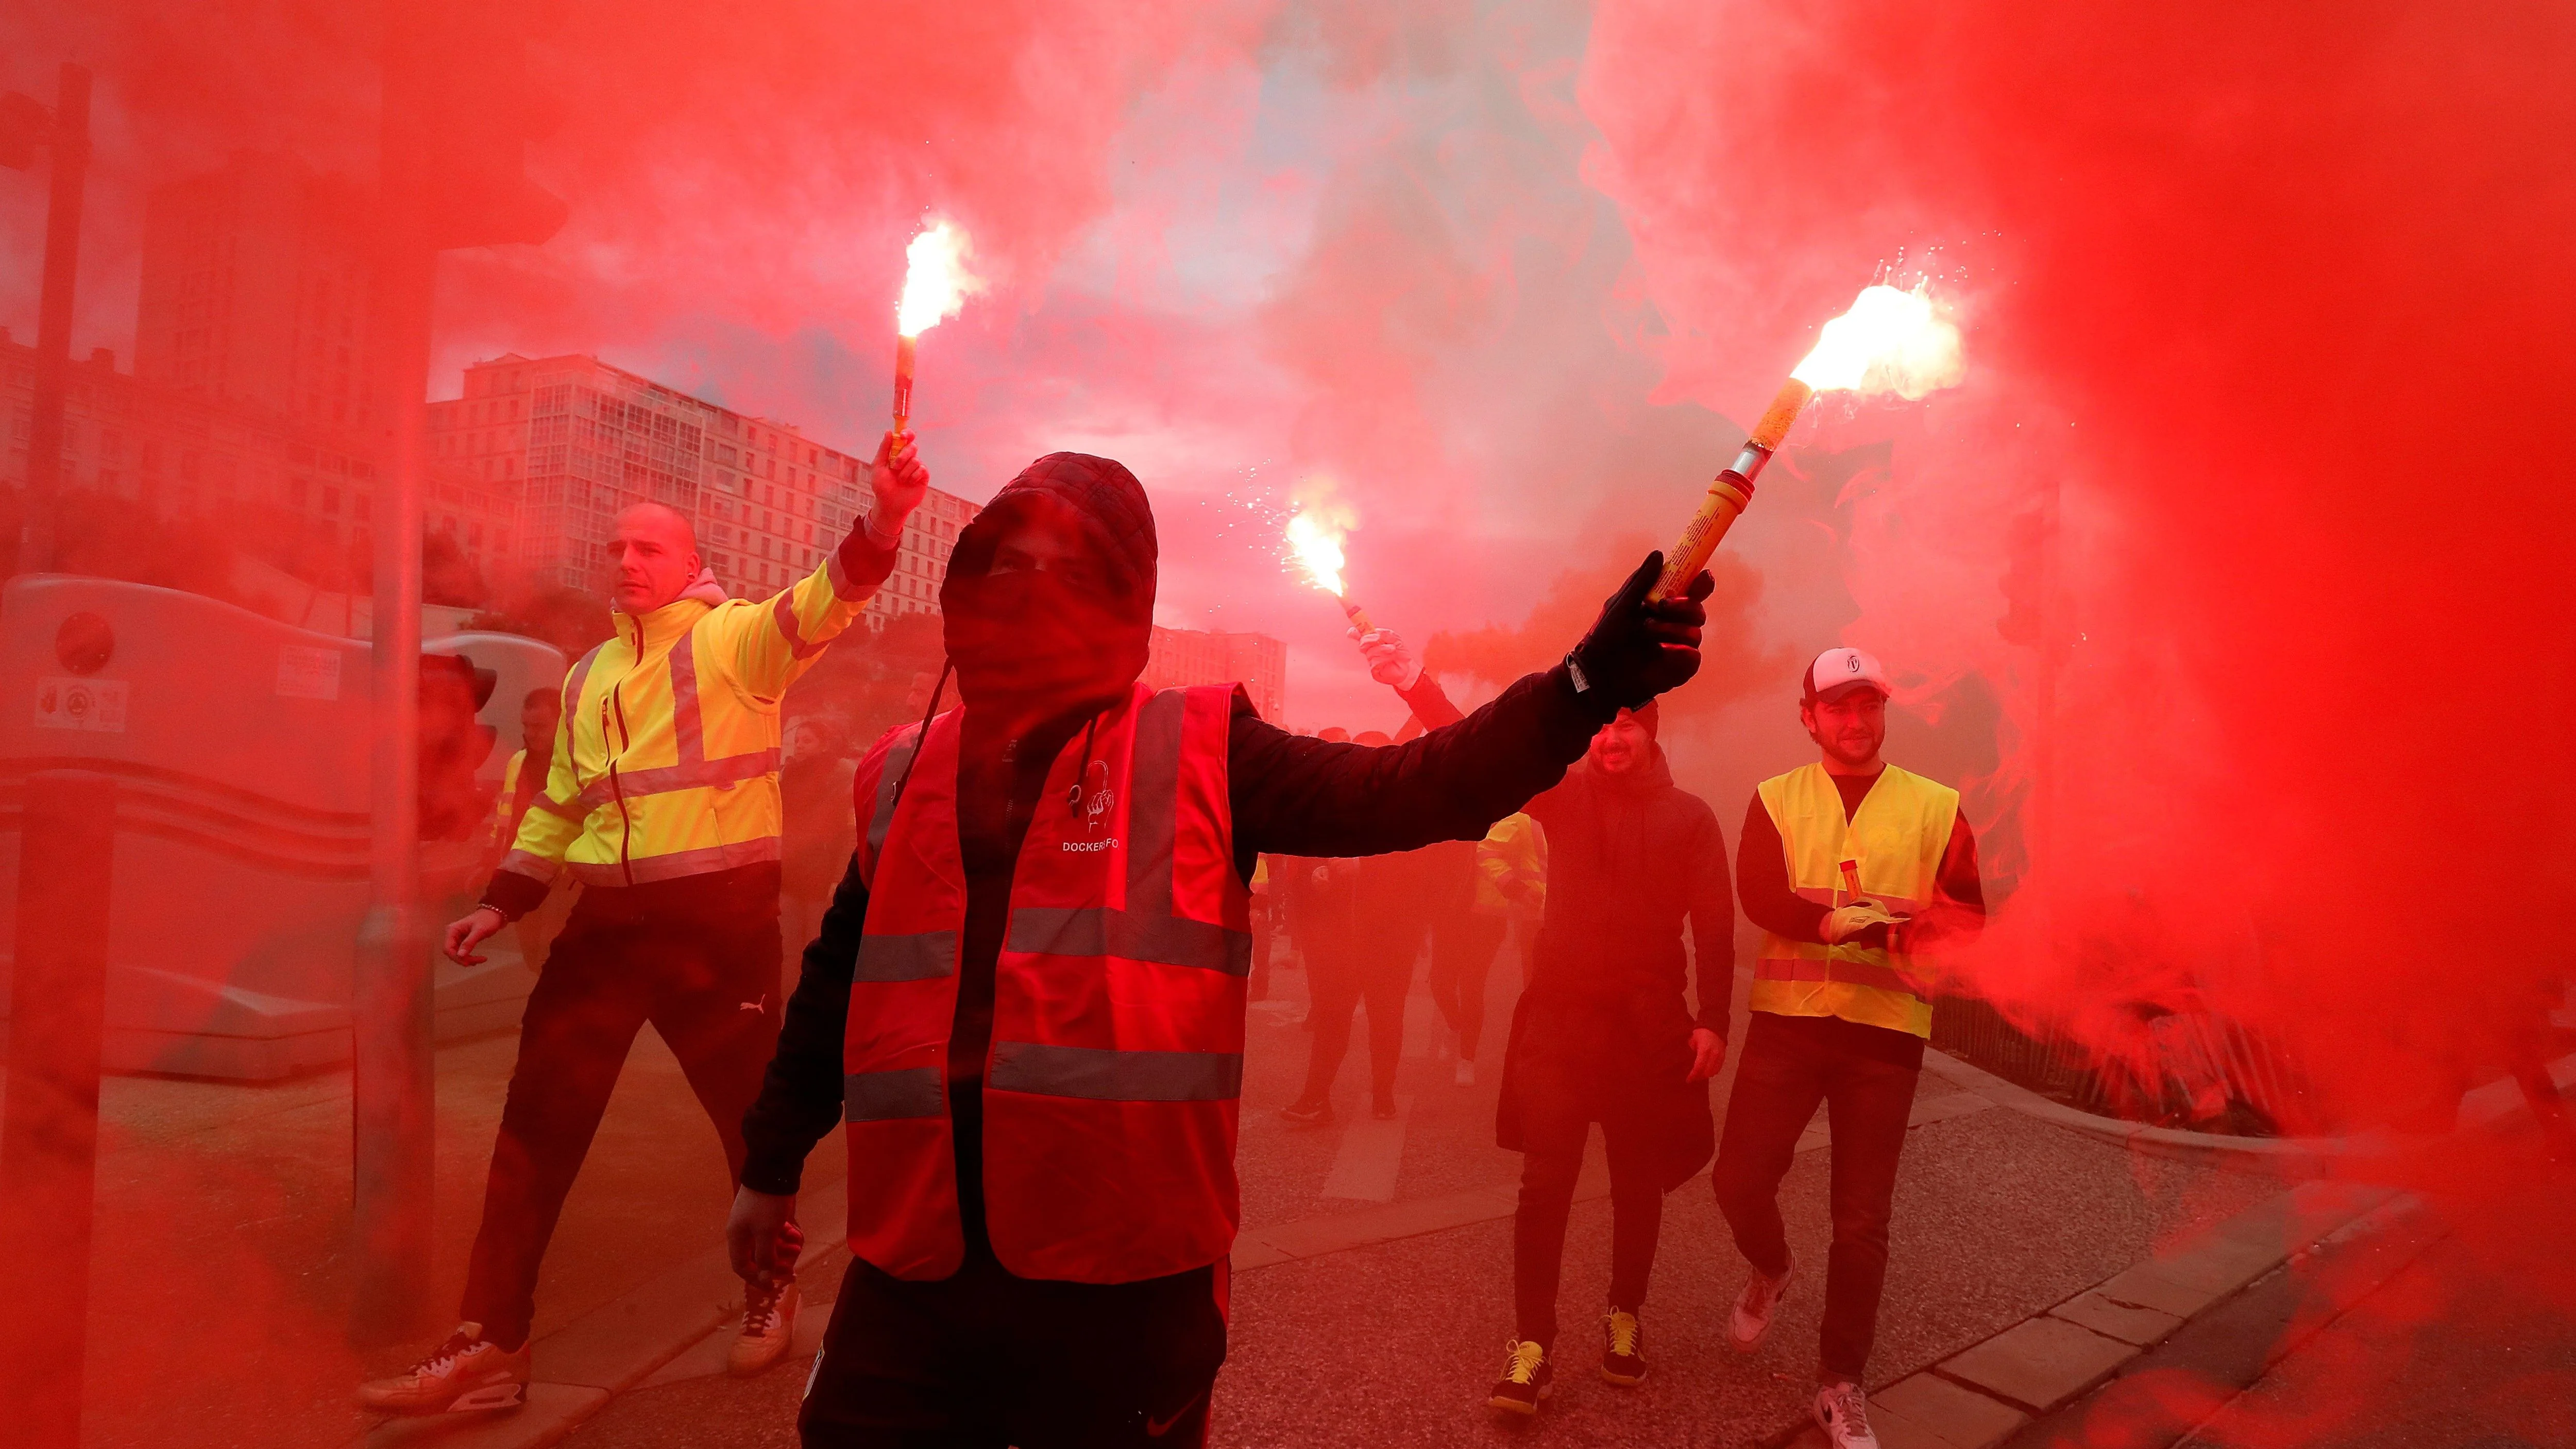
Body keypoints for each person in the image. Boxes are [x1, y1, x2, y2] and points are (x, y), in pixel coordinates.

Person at [726, 451, 1716, 1447]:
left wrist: (1584, 685)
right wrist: (769, 1162)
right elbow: (839, 976)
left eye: (1073, 570)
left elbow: (1423, 784)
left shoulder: (1205, 746)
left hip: (1123, 1285)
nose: (1032, 593)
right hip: (913, 1270)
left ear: (1127, 596)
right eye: (1008, 565)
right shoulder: (901, 770)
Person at [357, 433, 931, 1416]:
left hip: (719, 929)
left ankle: (772, 1285)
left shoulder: (736, 638)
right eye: (618, 546)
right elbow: (561, 807)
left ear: (693, 562)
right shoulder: (585, 679)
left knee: (755, 1127)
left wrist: (883, 521)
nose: (627, 560)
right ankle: (495, 1340)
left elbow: (828, 594)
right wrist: (506, 899)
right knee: (534, 1126)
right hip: (607, 930)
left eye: (650, 548)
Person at [1355, 626, 1731, 1415]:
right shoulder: (1560, 796)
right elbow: (1483, 754)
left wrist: (1714, 1021)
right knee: (1544, 1185)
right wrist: (1413, 683)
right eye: (1600, 724)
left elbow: (1716, 926)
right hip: (1561, 1021)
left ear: (1650, 732)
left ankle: (1624, 1314)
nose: (1609, 736)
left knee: (1639, 1184)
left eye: (1625, 722)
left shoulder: (1691, 819)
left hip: (1647, 1028)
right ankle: (1532, 1344)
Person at [1716, 647, 1986, 1449]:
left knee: (1862, 1220)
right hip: (1788, 1023)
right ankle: (1771, 1268)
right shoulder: (1774, 797)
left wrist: (1912, 933)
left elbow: (1972, 917)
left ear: (1882, 715)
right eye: (1838, 707)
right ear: (1809, 718)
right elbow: (1756, 893)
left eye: (1868, 707)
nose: (1855, 721)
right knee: (1738, 1180)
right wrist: (1825, 922)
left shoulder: (1938, 805)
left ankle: (1841, 1383)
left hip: (1885, 1033)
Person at [1279, 747, 1446, 1125]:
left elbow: (1421, 873)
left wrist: (1360, 868)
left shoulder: (1408, 816)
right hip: (1340, 939)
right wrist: (1319, 876)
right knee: (1331, 1017)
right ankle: (1315, 1098)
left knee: (1386, 1017)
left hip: (1389, 939)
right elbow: (1310, 861)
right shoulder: (1337, 812)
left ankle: (1383, 1091)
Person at [487, 686, 577, 967]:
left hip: (563, 881)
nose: (531, 733)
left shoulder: (578, 765)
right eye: (526, 725)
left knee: (557, 957)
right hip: (523, 875)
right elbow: (507, 815)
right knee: (532, 957)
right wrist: (492, 860)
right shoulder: (519, 761)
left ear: (562, 724)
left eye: (540, 726)